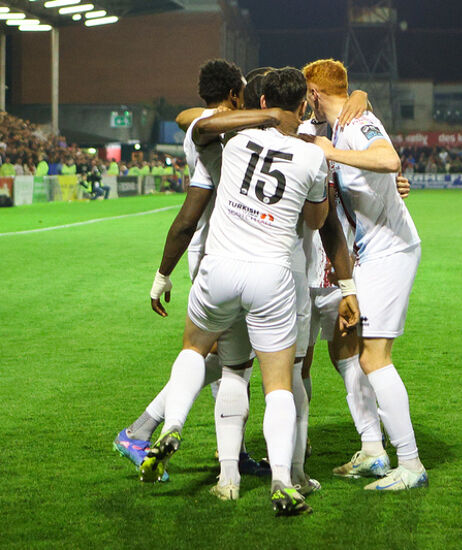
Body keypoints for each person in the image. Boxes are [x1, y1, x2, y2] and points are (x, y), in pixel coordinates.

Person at [140, 68, 355, 516]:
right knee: (281, 383)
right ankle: (284, 477)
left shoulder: (231, 142)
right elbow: (319, 223)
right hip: (276, 278)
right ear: (301, 107)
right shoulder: (313, 155)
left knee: (203, 354)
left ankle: (182, 434)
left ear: (256, 101)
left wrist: (263, 119)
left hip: (218, 268)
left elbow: (197, 123)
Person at [113, 59, 265, 486]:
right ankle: (140, 431)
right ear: (236, 95)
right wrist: (163, 273)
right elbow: (188, 213)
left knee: (226, 360)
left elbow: (187, 115)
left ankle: (229, 452)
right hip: (219, 253)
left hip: (217, 254)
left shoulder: (203, 125)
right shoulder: (221, 139)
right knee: (227, 361)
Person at [302, 58, 428, 491]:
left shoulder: (357, 122)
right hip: (372, 255)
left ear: (315, 94)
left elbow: (389, 159)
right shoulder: (343, 123)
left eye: (308, 96)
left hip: (391, 252)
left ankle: (410, 465)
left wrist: (329, 152)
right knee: (358, 350)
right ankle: (375, 452)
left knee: (375, 357)